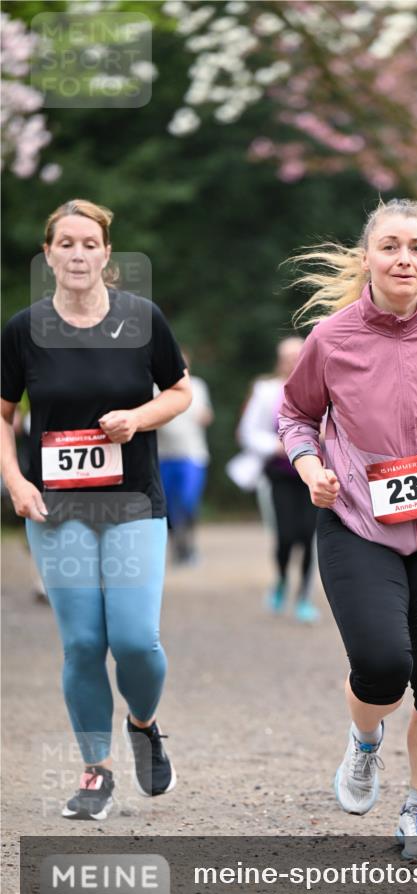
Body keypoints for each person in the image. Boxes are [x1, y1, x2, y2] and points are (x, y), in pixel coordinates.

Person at [279, 198, 417, 859]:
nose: (403, 257)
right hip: (356, 521)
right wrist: (307, 464)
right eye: (389, 246)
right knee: (382, 666)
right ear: (368, 258)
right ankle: (364, 743)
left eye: (415, 246)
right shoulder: (332, 338)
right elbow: (295, 415)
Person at [1, 199, 192, 820]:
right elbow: (3, 417)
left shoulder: (142, 319)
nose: (79, 254)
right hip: (58, 510)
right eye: (66, 244)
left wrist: (136, 418)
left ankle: (143, 722)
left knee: (135, 641)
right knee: (83, 643)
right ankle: (95, 773)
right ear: (48, 254)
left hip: (133, 502)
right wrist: (15, 481)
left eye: (90, 243)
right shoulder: (23, 330)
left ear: (107, 254)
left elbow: (180, 393)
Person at [231, 337, 319, 624]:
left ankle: (304, 596)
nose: (294, 361)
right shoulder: (266, 390)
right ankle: (281, 580)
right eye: (288, 356)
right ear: (280, 361)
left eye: (299, 355)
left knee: (308, 536)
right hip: (279, 474)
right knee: (285, 536)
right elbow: (247, 432)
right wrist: (277, 446)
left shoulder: (321, 387)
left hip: (314, 475)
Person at [157, 350, 213, 565]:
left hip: (192, 455)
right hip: (164, 456)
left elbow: (206, 414)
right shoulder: (155, 387)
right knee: (168, 507)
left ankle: (189, 543)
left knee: (188, 502)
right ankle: (178, 547)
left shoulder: (197, 386)